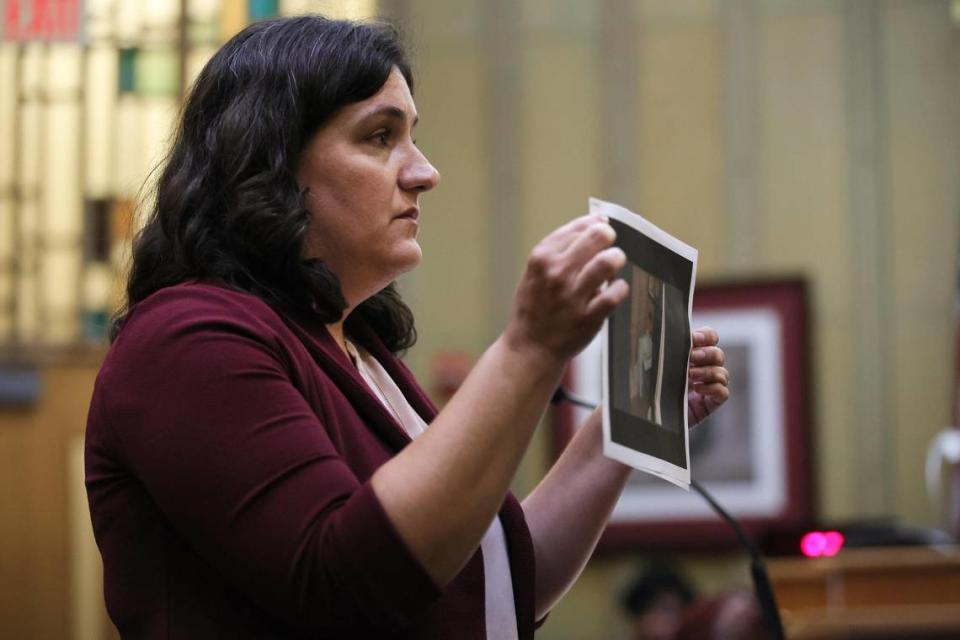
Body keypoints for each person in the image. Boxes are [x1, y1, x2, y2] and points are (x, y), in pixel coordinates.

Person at [84, 15, 730, 639]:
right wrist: (530, 348)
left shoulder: (358, 349)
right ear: (271, 163)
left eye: (412, 136)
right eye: (379, 137)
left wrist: (619, 426)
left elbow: (495, 588)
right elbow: (344, 583)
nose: (425, 172)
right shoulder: (187, 339)